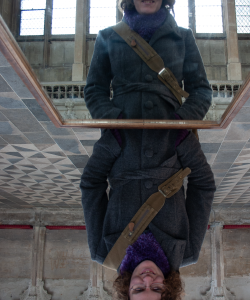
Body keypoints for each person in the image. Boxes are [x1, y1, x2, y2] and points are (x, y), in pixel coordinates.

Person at [81, 0, 215, 299]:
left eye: (139, 288)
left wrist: (113, 132)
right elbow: (203, 188)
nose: (147, 278)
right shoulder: (187, 252)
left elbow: (90, 187)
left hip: (120, 138)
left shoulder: (105, 252)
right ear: (169, 288)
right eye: (156, 288)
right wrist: (182, 130)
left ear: (126, 288)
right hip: (171, 135)